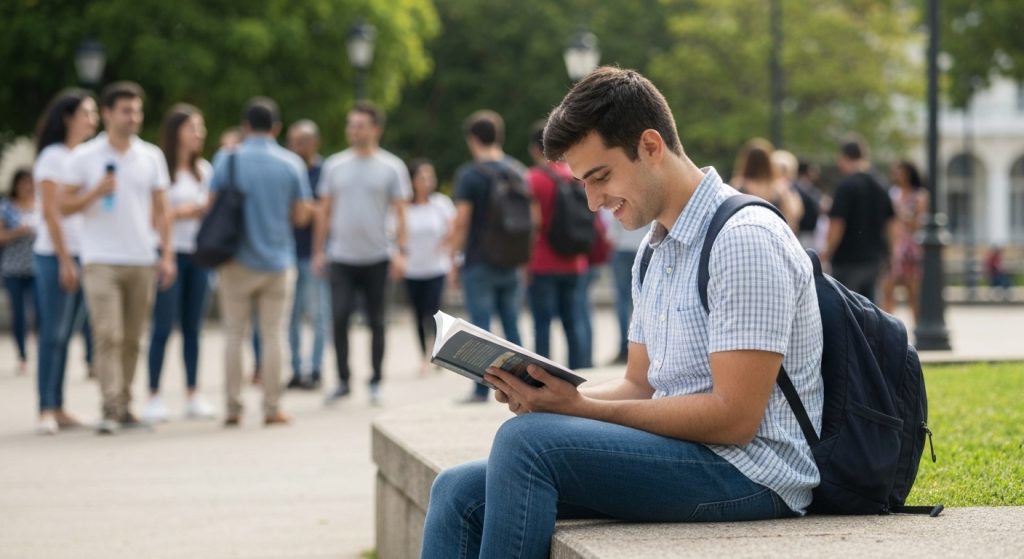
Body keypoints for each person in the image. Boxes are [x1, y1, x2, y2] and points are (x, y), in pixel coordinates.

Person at [420, 67, 823, 558]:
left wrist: (582, 409)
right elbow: (639, 383)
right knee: (457, 492)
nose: (593, 203)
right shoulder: (654, 251)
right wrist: (550, 395)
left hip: (752, 472)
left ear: (650, 146)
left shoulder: (743, 240)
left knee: (526, 443)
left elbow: (734, 416)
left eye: (601, 177)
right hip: (686, 453)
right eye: (583, 184)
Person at [60, 81, 176, 435]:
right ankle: (110, 406)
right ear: (108, 113)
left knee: (133, 338)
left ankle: (125, 405)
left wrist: (167, 254)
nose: (133, 118)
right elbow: (63, 206)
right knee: (108, 333)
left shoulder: (151, 156)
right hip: (100, 259)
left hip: (141, 258)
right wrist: (95, 192)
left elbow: (162, 210)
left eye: (137, 111)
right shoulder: (84, 157)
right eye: (126, 111)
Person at [211, 97, 313, 427]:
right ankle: (272, 407)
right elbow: (301, 215)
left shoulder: (226, 159)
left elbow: (212, 205)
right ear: (277, 128)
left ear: (245, 126)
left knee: (233, 334)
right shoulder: (291, 164)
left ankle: (232, 407)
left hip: (235, 260)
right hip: (278, 261)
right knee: (274, 335)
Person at [314, 101, 410, 406]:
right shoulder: (334, 166)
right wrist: (318, 251)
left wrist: (402, 252)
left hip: (378, 256)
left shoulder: (392, 167)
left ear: (375, 129)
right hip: (341, 256)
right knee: (339, 318)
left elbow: (401, 213)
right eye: (351, 124)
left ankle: (376, 381)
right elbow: (324, 211)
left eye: (359, 125)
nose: (353, 130)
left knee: (377, 321)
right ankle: (343, 380)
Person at [450, 110, 530, 403]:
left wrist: (454, 258)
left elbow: (462, 220)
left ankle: (480, 389)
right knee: (512, 326)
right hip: (511, 260)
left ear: (473, 139)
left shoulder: (470, 175)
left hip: (479, 260)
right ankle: (525, 386)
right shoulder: (518, 170)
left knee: (481, 330)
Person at [143, 104, 215, 422]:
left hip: (198, 255)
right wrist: (179, 213)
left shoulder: (205, 171)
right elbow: (153, 216)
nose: (199, 134)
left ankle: (193, 393)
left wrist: (201, 211)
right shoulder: (161, 170)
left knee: (193, 328)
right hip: (168, 255)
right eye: (192, 128)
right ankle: (153, 394)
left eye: (201, 127)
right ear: (176, 132)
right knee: (162, 326)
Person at [31, 88, 97, 435]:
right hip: (54, 255)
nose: (93, 119)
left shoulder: (86, 155)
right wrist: (64, 261)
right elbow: (51, 213)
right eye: (87, 113)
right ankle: (45, 407)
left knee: (66, 336)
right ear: (68, 117)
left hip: (84, 253)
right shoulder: (52, 157)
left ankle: (58, 406)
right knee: (52, 335)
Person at [524, 121, 586, 370]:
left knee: (542, 324)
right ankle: (581, 375)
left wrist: (524, 263)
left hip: (542, 262)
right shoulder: (574, 175)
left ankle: (542, 377)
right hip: (574, 261)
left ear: (535, 149)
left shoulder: (533, 178)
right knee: (573, 322)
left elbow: (534, 223)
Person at [284, 119, 330, 390]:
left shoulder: (326, 172)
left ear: (314, 143)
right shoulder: (287, 169)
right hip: (288, 253)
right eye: (292, 142)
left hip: (315, 253)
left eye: (301, 142)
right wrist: (312, 208)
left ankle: (315, 369)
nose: (296, 147)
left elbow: (328, 211)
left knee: (319, 314)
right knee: (290, 316)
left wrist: (307, 209)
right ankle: (295, 369)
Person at [823, 136, 896, 303]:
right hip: (874, 259)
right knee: (870, 307)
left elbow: (837, 223)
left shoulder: (845, 186)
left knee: (846, 307)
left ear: (844, 157)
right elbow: (891, 224)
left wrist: (826, 252)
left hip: (847, 259)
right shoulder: (881, 185)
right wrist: (891, 253)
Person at [402, 158, 455, 374]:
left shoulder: (441, 204)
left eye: (430, 177)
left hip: (436, 268)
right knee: (417, 314)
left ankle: (437, 353)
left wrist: (450, 253)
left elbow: (454, 229)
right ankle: (423, 354)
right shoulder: (404, 207)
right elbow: (395, 234)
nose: (427, 181)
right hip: (412, 269)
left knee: (433, 312)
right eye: (422, 177)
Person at [0, 170, 40, 375]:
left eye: (30, 182)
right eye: (23, 182)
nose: (27, 186)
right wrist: (19, 231)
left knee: (39, 311)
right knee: (19, 313)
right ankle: (22, 355)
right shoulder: (6, 207)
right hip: (13, 268)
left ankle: (41, 353)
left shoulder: (40, 205)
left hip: (37, 268)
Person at [881, 160, 927, 322]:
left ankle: (918, 325)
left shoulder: (919, 195)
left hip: (910, 247)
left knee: (913, 293)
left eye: (899, 172)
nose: (896, 175)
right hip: (893, 245)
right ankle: (888, 327)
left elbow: (920, 224)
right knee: (887, 288)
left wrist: (904, 217)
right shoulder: (891, 194)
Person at [731, 138, 803, 232]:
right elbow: (793, 213)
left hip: (746, 233)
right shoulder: (779, 188)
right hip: (774, 233)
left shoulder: (738, 186)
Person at [606, 216, 649, 365]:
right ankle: (643, 348)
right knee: (645, 300)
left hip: (622, 248)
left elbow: (612, 231)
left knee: (622, 301)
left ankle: (625, 347)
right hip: (644, 247)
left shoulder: (619, 203)